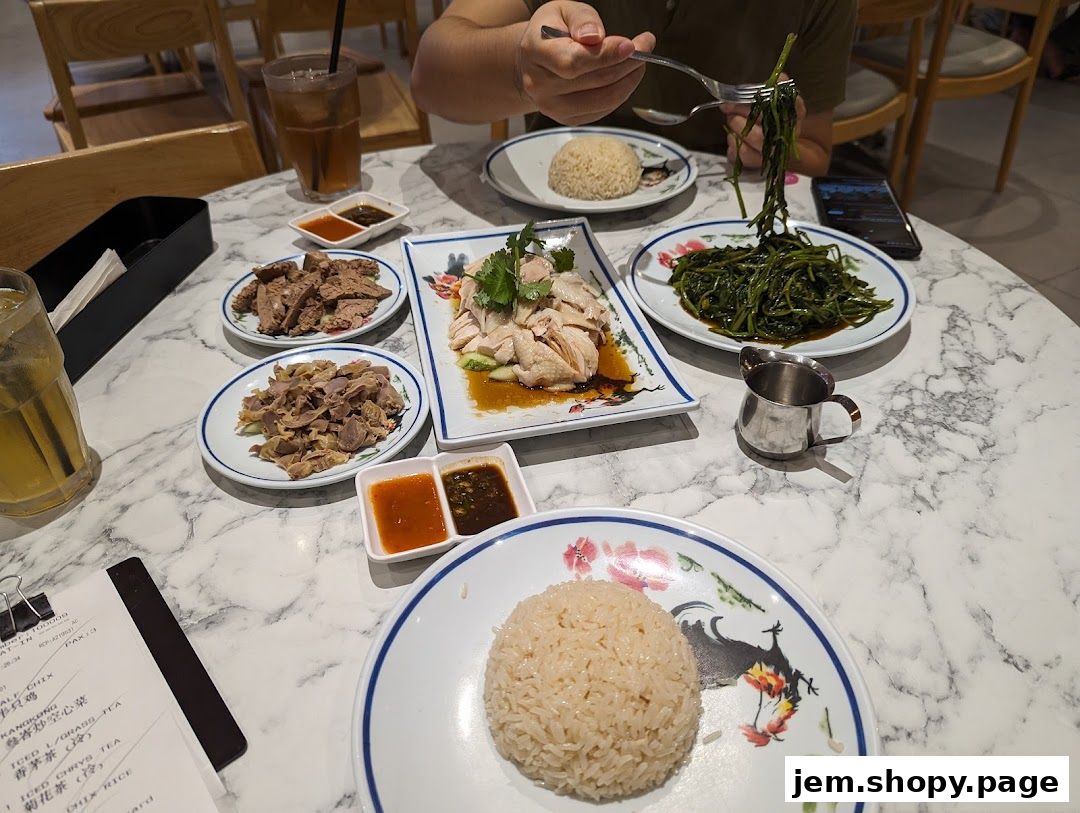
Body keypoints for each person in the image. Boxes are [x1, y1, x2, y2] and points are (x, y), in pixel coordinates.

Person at [411, 0, 857, 177]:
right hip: (551, 218)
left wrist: (772, 143)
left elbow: (815, 152)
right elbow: (429, 78)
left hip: (719, 231)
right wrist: (518, 68)